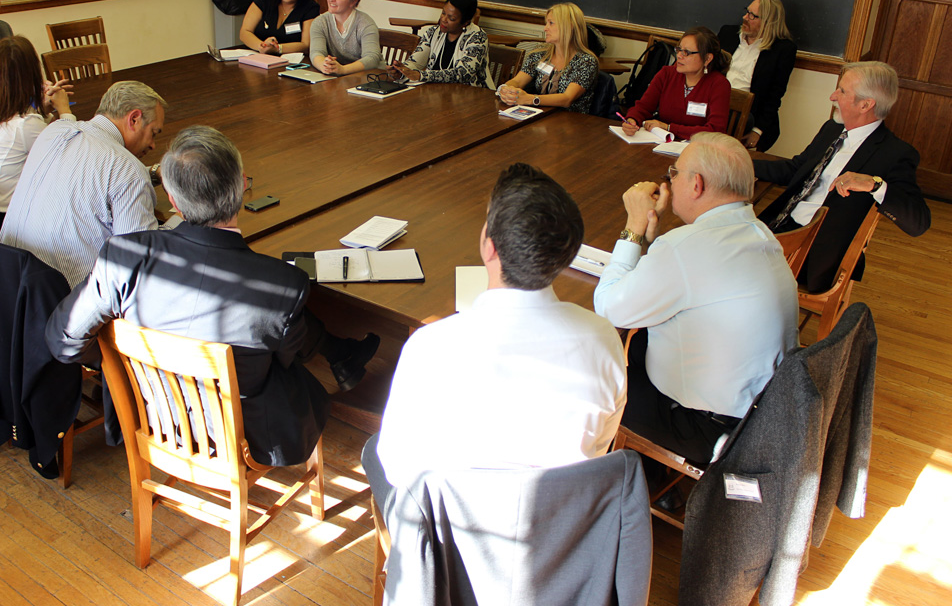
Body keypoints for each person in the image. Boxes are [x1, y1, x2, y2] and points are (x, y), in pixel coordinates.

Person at [45, 126, 380, 466]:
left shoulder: (121, 256)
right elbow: (284, 361)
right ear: (243, 187)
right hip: (240, 437)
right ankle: (341, 355)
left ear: (173, 202)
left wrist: (122, 355)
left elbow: (63, 341)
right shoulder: (285, 283)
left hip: (152, 421)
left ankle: (341, 353)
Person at [369, 163, 627, 505]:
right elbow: (599, 447)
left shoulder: (430, 347)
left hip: (451, 540)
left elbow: (398, 469)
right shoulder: (603, 339)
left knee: (374, 450)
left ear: (489, 247)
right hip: (561, 531)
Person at [594, 133, 798, 466]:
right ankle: (650, 468)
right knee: (638, 341)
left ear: (697, 185)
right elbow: (697, 276)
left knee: (595, 375)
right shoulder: (759, 232)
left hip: (706, 426)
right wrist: (656, 243)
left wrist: (633, 225)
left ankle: (619, 477)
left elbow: (609, 308)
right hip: (760, 411)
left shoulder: (685, 248)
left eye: (674, 173)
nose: (670, 181)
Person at [755, 61, 930, 293]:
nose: (832, 96)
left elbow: (918, 223)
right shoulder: (832, 129)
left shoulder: (895, 154)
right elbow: (794, 169)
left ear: (866, 104)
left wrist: (874, 185)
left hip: (815, 253)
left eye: (842, 91)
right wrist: (737, 163)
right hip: (782, 227)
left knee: (727, 262)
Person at [0, 81, 165, 288]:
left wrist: (152, 173)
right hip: (63, 302)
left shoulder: (54, 131)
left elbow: (95, 182)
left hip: (3, 283)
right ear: (134, 118)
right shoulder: (128, 170)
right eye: (154, 133)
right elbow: (136, 266)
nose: (153, 144)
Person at [0, 36, 74, 219]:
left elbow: (22, 137)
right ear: (31, 76)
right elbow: (72, 156)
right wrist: (64, 109)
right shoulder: (25, 125)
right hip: (5, 219)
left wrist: (42, 111)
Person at [623, 26, 732, 140]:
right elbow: (643, 108)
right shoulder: (666, 74)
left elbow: (715, 131)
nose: (679, 56)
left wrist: (669, 128)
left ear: (707, 58)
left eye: (687, 52)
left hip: (698, 149)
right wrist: (632, 120)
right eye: (679, 50)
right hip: (662, 143)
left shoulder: (719, 85)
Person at [719, 0, 797, 151]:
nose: (745, 17)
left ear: (769, 22)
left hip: (748, 116)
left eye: (752, 16)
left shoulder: (782, 49)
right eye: (747, 12)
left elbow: (775, 95)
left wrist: (757, 130)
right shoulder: (727, 34)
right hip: (718, 106)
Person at [496, 3, 598, 113]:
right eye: (546, 23)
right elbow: (518, 80)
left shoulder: (586, 61)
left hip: (571, 121)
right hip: (540, 115)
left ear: (570, 26)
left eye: (551, 23)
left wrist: (531, 99)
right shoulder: (540, 54)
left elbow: (567, 99)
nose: (545, 28)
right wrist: (507, 89)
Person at [388, 0, 493, 88]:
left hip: (471, 97)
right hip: (436, 93)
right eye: (443, 13)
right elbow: (415, 63)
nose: (443, 19)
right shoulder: (433, 32)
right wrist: (401, 70)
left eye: (451, 18)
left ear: (466, 22)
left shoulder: (478, 37)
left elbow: (463, 74)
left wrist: (421, 75)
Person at [309, 0, 382, 75]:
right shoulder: (320, 22)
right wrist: (324, 65)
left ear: (353, 1)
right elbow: (316, 52)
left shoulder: (366, 24)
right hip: (339, 78)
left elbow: (372, 58)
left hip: (370, 77)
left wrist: (343, 69)